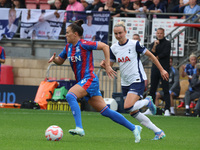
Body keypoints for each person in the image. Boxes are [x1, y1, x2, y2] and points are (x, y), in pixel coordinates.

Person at [48, 20, 143, 143]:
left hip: (89, 79)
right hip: (84, 82)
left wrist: (108, 65)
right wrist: (54, 59)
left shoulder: (84, 44)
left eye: (67, 33)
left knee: (71, 95)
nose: (65, 35)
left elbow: (105, 46)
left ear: (75, 34)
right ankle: (134, 128)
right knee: (106, 111)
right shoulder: (68, 47)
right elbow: (60, 60)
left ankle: (79, 128)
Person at [100, 21, 168, 140]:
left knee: (127, 106)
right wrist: (105, 65)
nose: (118, 35)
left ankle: (147, 101)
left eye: (120, 33)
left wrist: (162, 70)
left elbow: (151, 56)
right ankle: (158, 132)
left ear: (125, 32)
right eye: (116, 33)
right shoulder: (114, 48)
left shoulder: (134, 44)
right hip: (125, 82)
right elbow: (109, 65)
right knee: (133, 112)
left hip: (137, 79)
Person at [149, 28, 171, 116]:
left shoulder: (167, 43)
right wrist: (154, 46)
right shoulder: (153, 43)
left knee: (166, 89)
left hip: (164, 69)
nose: (159, 35)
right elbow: (151, 53)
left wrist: (155, 58)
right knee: (152, 89)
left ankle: (167, 109)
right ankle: (151, 109)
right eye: (158, 33)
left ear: (163, 34)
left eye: (161, 33)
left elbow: (165, 53)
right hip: (155, 69)